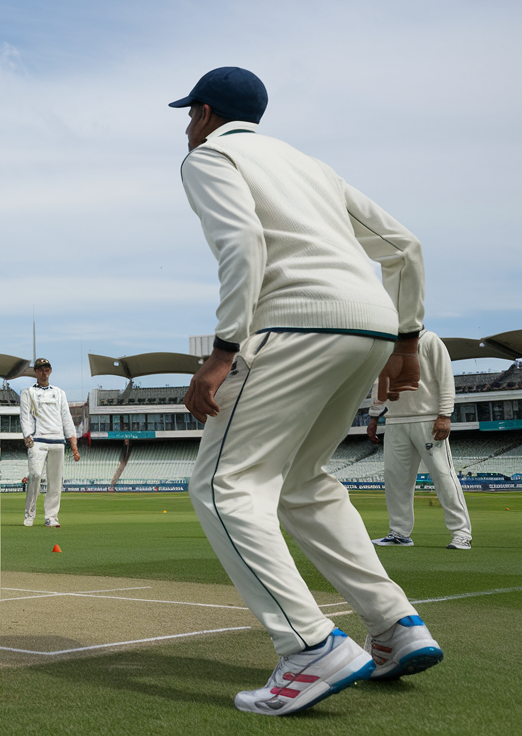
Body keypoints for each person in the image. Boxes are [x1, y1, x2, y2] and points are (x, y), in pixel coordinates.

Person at [173, 67, 442, 716]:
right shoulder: (310, 165)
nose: (186, 127)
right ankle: (396, 625)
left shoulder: (211, 157)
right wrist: (406, 344)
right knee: (301, 483)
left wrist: (222, 352)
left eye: (189, 115)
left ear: (207, 112)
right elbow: (404, 246)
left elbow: (242, 244)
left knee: (223, 486)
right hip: (370, 322)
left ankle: (310, 646)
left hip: (296, 322)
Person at [368, 330, 472, 550]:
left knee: (443, 475)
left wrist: (444, 415)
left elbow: (445, 379)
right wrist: (374, 416)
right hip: (395, 420)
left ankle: (461, 533)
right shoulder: (386, 344)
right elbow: (380, 381)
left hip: (427, 418)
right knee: (396, 480)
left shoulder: (429, 340)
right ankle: (399, 533)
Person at [19, 358, 79, 527]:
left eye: (46, 369)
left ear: (50, 371)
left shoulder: (59, 393)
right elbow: (25, 415)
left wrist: (73, 446)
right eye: (40, 369)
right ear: (36, 372)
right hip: (37, 440)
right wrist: (27, 435)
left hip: (57, 440)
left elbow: (66, 418)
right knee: (35, 475)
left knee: (55, 481)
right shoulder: (28, 392)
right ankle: (29, 513)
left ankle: (51, 516)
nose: (43, 372)